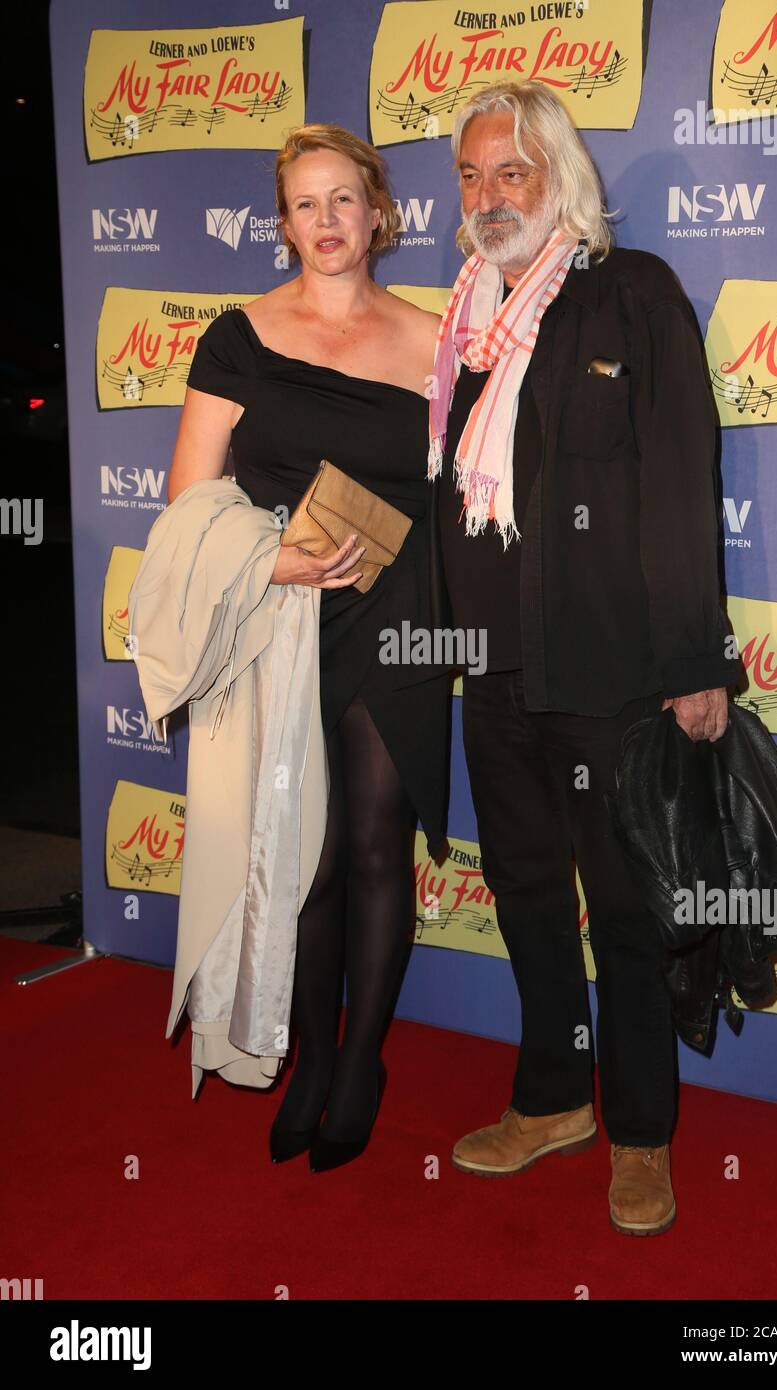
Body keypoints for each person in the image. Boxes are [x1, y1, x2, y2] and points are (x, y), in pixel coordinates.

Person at [427, 82, 744, 1234]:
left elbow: (675, 481)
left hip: (609, 674)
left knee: (624, 907)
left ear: (560, 173)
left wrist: (692, 658)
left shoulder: (632, 294)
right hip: (492, 670)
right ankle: (554, 1097)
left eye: (511, 171)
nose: (488, 196)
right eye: (469, 175)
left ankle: (642, 1133)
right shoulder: (462, 318)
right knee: (520, 894)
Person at [168, 123, 451, 1173]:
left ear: (378, 213)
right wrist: (272, 564)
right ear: (280, 221)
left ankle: (361, 1063)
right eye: (304, 204)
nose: (325, 222)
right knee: (310, 853)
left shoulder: (436, 340)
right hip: (279, 614)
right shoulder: (238, 335)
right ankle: (315, 1058)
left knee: (374, 844)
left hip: (397, 609)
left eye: (344, 200)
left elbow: (463, 499)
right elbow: (188, 498)